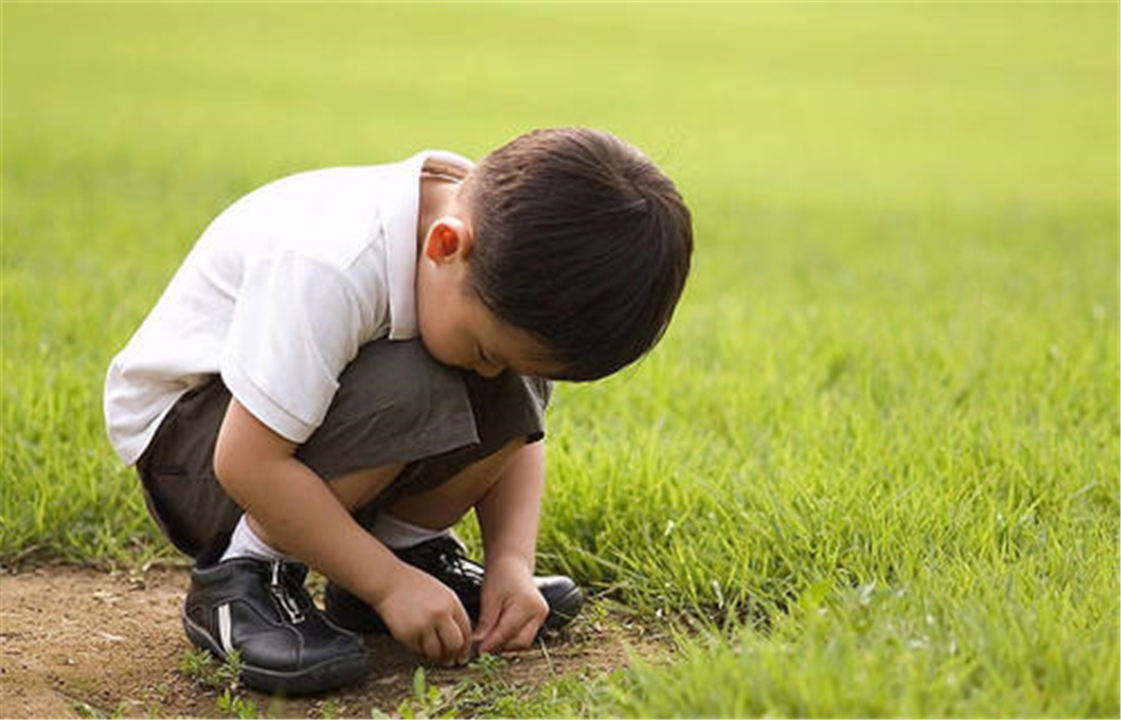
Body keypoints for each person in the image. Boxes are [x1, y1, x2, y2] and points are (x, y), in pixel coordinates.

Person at [103, 127, 693, 694]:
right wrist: (389, 586)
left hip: (286, 440)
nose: (489, 370)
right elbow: (247, 463)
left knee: (508, 383)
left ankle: (403, 552)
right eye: (487, 348)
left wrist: (511, 564)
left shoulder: (487, 233)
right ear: (445, 246)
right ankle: (244, 578)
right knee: (420, 384)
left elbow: (520, 430)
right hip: (194, 449)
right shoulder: (329, 264)